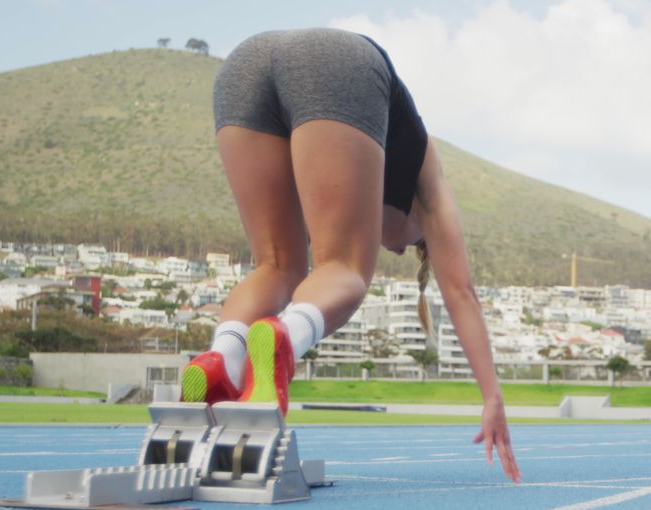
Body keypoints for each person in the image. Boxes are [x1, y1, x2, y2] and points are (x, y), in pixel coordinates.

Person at [180, 28, 521, 483]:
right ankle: (285, 339)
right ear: (418, 240)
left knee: (276, 265)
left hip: (245, 62)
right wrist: (492, 398)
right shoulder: (433, 193)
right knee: (343, 268)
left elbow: (284, 267)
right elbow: (461, 293)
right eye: (404, 247)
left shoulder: (353, 172)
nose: (392, 247)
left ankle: (223, 356)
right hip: (339, 63)